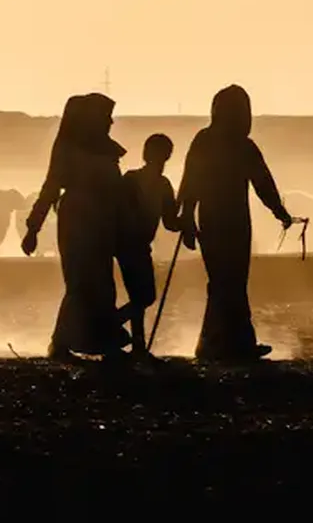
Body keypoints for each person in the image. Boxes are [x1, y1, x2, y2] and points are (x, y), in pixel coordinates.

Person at [175, 84, 294, 362]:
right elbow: (263, 183)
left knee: (223, 281)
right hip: (231, 220)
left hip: (216, 219)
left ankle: (218, 343)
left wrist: (186, 216)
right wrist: (280, 212)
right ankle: (231, 344)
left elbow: (190, 181)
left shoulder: (205, 140)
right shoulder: (241, 145)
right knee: (230, 281)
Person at [21, 92, 128, 359]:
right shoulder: (70, 150)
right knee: (81, 282)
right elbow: (51, 188)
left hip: (101, 222)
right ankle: (60, 343)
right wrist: (33, 228)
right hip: (79, 221)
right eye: (106, 116)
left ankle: (103, 343)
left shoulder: (103, 148)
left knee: (102, 283)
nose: (111, 122)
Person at [117, 133, 181, 356]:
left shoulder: (155, 183)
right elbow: (172, 223)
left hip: (134, 245)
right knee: (145, 297)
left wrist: (185, 218)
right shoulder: (136, 180)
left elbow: (171, 222)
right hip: (129, 244)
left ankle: (137, 345)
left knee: (140, 297)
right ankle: (110, 326)